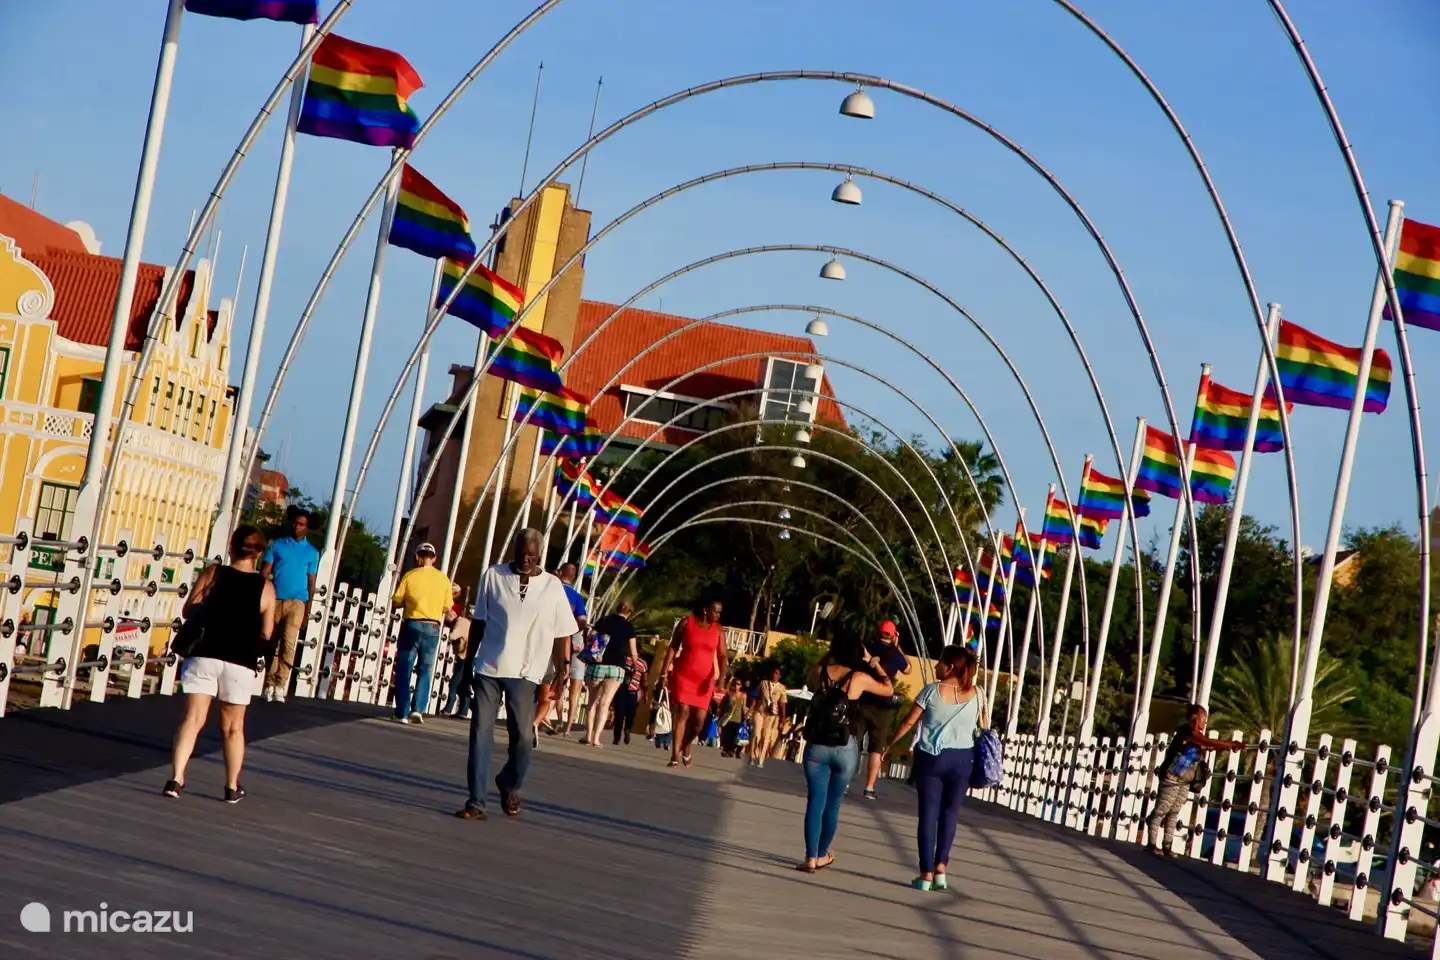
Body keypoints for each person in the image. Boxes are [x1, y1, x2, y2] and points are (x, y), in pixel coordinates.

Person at [455, 529, 578, 821]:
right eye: (521, 553)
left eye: (531, 555)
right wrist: (468, 665)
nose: (525, 559)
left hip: (526, 672)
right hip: (489, 667)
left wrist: (562, 670)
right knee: (480, 733)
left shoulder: (552, 586)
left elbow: (562, 633)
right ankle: (476, 802)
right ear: (514, 549)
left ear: (540, 555)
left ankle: (509, 783)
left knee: (522, 738)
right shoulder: (493, 576)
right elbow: (479, 623)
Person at [164, 525, 276, 803]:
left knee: (193, 719)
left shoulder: (214, 573)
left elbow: (188, 610)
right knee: (233, 727)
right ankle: (231, 786)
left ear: (231, 547)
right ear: (259, 553)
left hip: (205, 653)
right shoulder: (265, 588)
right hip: (240, 660)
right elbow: (267, 632)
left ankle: (176, 779)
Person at [883, 645, 984, 891]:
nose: (936, 666)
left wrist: (890, 745)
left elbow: (909, 722)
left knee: (928, 814)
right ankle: (941, 869)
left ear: (949, 667)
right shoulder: (978, 693)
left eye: (940, 662)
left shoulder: (931, 691)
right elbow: (984, 727)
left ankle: (926, 873)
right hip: (963, 761)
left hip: (931, 759)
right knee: (950, 813)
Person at [796, 639, 894, 872]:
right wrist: (873, 663)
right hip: (845, 747)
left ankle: (810, 858)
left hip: (817, 746)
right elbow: (888, 689)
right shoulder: (858, 678)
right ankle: (822, 855)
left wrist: (827, 655)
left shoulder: (819, 672)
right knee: (833, 804)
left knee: (815, 802)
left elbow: (810, 676)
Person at [1145, 704, 1244, 857]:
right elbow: (1209, 742)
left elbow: (1209, 746)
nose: (1205, 722)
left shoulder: (1196, 736)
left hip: (1185, 779)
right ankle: (1151, 844)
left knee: (1174, 811)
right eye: (1204, 719)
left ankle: (1167, 846)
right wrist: (1232, 744)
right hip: (1172, 776)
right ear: (1196, 719)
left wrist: (1228, 747)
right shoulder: (1187, 732)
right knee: (1162, 809)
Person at [389, 542, 454, 723]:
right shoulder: (443, 579)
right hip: (433, 627)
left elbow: (396, 602)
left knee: (405, 668)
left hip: (412, 624)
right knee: (425, 669)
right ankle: (418, 710)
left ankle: (402, 713)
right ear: (434, 558)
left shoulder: (410, 575)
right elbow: (447, 607)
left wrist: (408, 603)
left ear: (417, 556)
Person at [260, 506, 319, 703]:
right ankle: (268, 683)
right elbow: (264, 573)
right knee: (270, 641)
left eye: (301, 524)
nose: (297, 527)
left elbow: (311, 582)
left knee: (289, 643)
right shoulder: (277, 546)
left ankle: (280, 684)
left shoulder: (312, 552)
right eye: (295, 523)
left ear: (307, 527)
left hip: (297, 602)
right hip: (275, 599)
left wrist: (308, 610)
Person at [660, 598, 725, 768]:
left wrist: (722, 678)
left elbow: (723, 656)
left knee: (699, 721)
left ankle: (686, 743)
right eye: (716, 611)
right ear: (705, 610)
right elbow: (673, 647)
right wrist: (664, 672)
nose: (718, 615)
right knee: (682, 711)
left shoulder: (718, 630)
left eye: (720, 613)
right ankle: (675, 756)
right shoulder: (685, 623)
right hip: (684, 676)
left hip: (704, 681)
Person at [857, 619, 912, 799]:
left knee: (853, 743)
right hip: (883, 705)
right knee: (876, 749)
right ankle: (869, 787)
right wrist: (898, 646)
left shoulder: (868, 648)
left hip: (863, 700)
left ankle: (844, 781)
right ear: (893, 635)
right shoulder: (895, 654)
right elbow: (908, 669)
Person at [582, 601, 638, 746]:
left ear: (617, 608)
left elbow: (591, 636)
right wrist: (635, 667)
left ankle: (588, 736)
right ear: (629, 613)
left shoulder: (604, 620)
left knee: (592, 702)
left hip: (597, 664)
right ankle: (596, 739)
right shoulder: (629, 627)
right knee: (605, 703)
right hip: (617, 668)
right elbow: (633, 652)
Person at [554, 562, 591, 737]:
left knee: (558, 684)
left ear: (560, 572)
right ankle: (568, 728)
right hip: (576, 646)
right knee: (574, 692)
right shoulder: (577, 597)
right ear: (574, 577)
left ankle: (558, 720)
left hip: (555, 643)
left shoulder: (553, 591)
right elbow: (583, 621)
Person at [748, 665, 788, 768]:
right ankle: (752, 756)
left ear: (780, 676)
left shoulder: (782, 688)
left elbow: (783, 703)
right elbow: (756, 697)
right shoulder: (763, 683)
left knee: (765, 736)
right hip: (760, 711)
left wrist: (783, 718)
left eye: (777, 674)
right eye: (774, 672)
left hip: (771, 714)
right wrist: (750, 710)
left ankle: (761, 760)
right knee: (756, 734)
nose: (775, 675)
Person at [443, 586, 472, 717]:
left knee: (454, 683)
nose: (446, 620)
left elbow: (453, 636)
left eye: (447, 617)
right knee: (464, 684)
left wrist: (446, 637)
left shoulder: (461, 623)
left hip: (465, 657)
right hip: (467, 657)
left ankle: (449, 708)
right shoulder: (463, 622)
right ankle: (463, 711)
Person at [612, 648, 649, 746]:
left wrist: (646, 694)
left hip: (631, 691)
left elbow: (644, 681)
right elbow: (644, 681)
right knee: (622, 715)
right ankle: (618, 735)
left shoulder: (641, 663)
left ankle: (625, 731)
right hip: (623, 690)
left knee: (628, 714)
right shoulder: (625, 659)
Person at [718, 678, 746, 757]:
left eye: (738, 684)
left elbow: (743, 707)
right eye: (735, 684)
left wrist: (745, 716)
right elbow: (723, 705)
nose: (736, 686)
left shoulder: (743, 695)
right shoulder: (729, 694)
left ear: (741, 686)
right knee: (727, 735)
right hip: (729, 718)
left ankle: (731, 750)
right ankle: (725, 750)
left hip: (738, 719)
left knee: (735, 736)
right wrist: (720, 715)